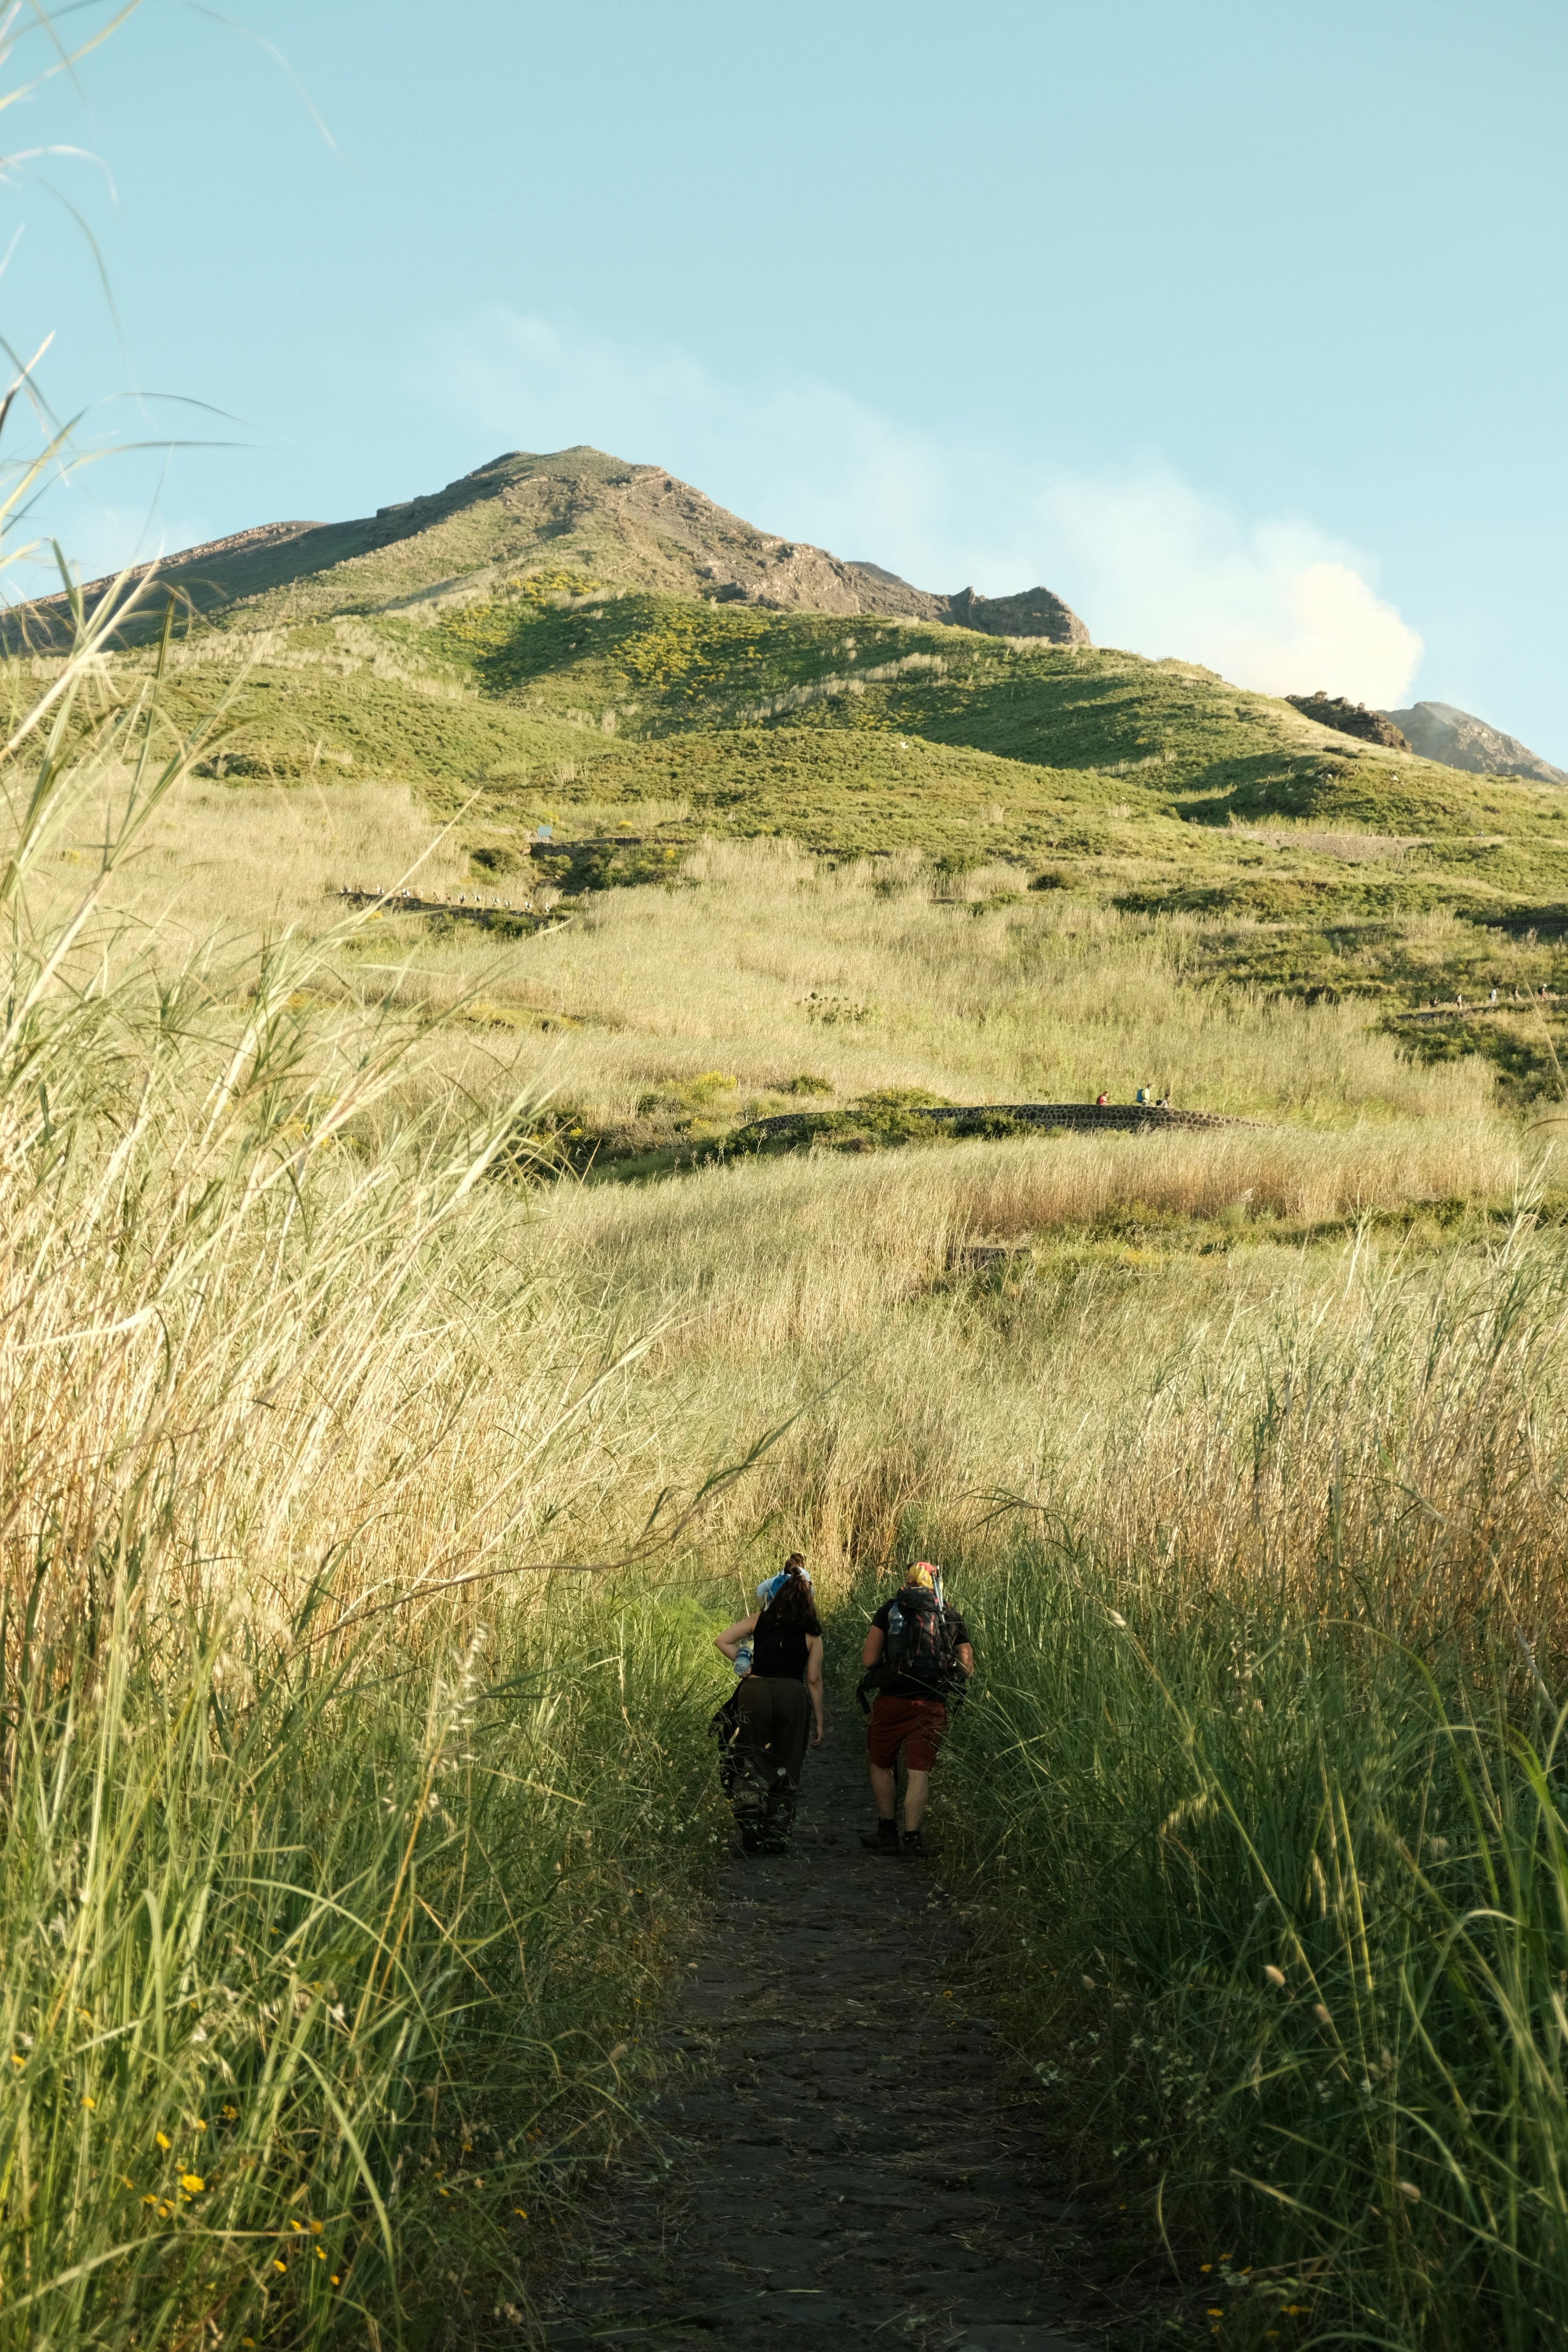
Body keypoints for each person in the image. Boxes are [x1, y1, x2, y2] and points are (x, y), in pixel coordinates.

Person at [858, 1562, 973, 1858]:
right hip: (933, 1702)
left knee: (882, 1763)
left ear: (907, 1582)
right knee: (918, 1771)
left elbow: (870, 1661)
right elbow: (967, 1666)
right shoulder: (948, 1612)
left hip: (893, 1700)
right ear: (935, 1583)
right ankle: (913, 1839)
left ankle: (887, 1833)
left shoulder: (891, 1609)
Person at [714, 1556, 824, 1854]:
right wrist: (820, 1721)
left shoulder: (758, 1620)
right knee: (787, 1761)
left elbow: (722, 1640)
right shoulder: (812, 1631)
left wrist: (742, 1664)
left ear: (774, 1594)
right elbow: (813, 1680)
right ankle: (777, 1833)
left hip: (755, 1691)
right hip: (792, 1694)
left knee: (751, 1754)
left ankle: (750, 1816)